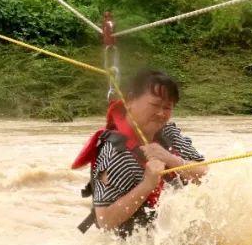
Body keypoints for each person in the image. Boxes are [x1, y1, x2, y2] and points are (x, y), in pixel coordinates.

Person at [72, 69, 207, 236]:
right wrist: (147, 184)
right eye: (155, 105)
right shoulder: (114, 153)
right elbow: (105, 221)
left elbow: (205, 174)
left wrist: (170, 158)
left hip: (170, 234)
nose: (161, 114)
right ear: (129, 101)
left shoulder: (169, 134)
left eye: (167, 107)